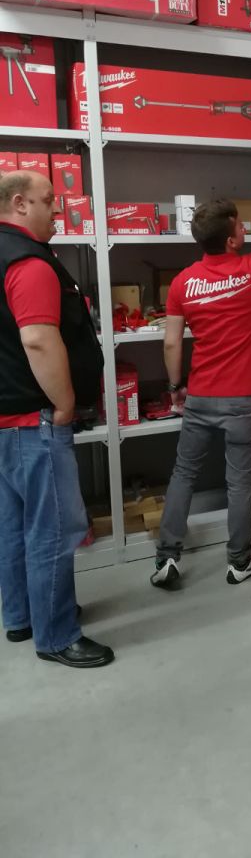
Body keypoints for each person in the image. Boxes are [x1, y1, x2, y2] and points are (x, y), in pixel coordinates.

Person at [152, 165, 251, 589]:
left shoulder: (182, 283)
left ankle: (167, 558)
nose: (244, 228)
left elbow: (171, 343)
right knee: (239, 482)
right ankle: (238, 562)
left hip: (200, 395)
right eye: (240, 225)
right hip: (246, 398)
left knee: (184, 473)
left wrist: (175, 389)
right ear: (231, 239)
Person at [0, 171, 114, 668]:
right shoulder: (28, 262)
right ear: (20, 203)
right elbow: (38, 340)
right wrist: (64, 404)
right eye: (49, 201)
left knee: (12, 525)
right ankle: (57, 635)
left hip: (6, 418)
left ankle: (23, 616)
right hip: (34, 419)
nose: (58, 211)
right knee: (52, 530)